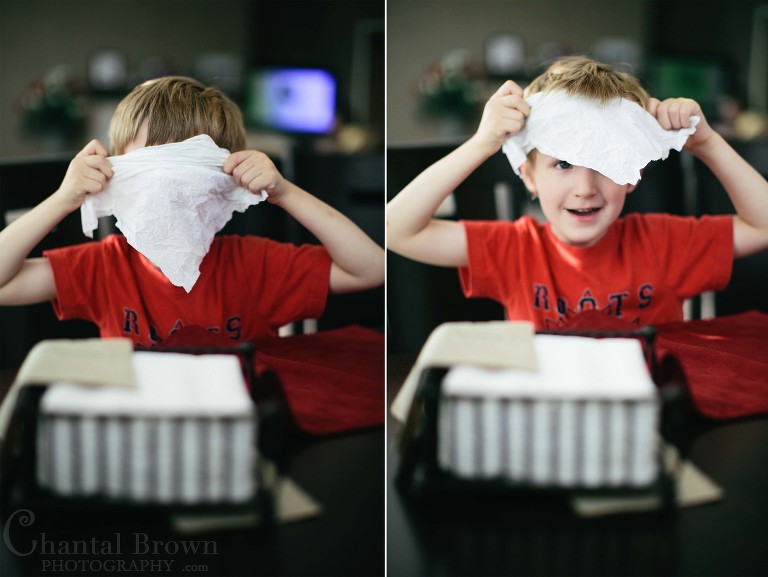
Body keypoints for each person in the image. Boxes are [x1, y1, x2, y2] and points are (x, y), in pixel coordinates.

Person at [387, 57, 768, 330]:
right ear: (529, 176)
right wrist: (481, 144)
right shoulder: (514, 250)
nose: (585, 189)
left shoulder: (663, 244)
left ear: (632, 172)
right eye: (563, 164)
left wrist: (707, 144)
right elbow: (397, 229)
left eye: (605, 164)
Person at [0, 76, 384, 346]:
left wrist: (283, 192)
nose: (171, 190)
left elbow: (372, 268)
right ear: (117, 175)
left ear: (226, 183)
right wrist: (64, 199)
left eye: (188, 173)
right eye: (153, 169)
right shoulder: (103, 267)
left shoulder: (253, 265)